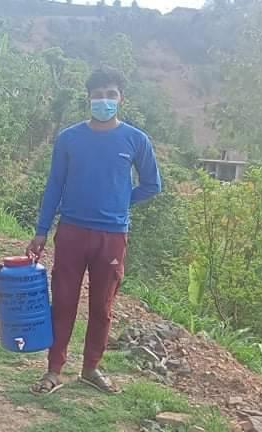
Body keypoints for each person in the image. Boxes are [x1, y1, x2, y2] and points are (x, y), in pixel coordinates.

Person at [27, 67, 161, 395]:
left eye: (110, 95)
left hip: (112, 236)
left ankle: (91, 368)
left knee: (102, 307)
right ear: (88, 98)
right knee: (63, 302)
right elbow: (54, 185)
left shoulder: (135, 140)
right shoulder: (69, 138)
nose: (104, 101)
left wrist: (120, 201)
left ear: (121, 98)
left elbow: (152, 184)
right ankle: (54, 370)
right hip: (71, 232)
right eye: (98, 95)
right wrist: (41, 231)